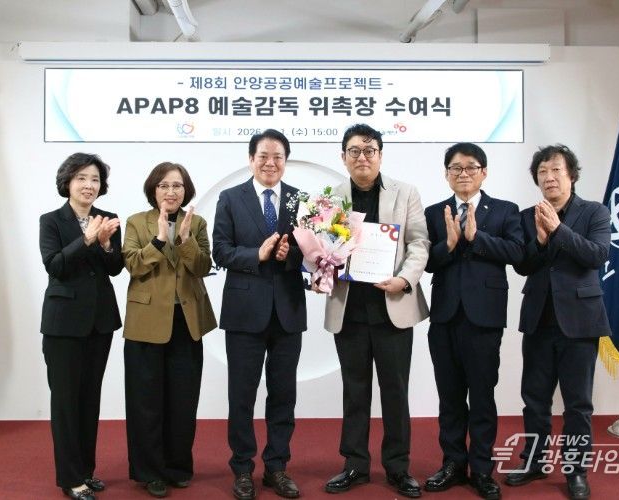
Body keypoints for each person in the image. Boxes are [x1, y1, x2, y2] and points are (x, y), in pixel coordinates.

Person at [323, 124, 430, 498]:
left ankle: (398, 467)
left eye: (369, 150)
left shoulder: (406, 192)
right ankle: (354, 464)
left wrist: (404, 279)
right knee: (354, 392)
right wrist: (321, 267)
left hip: (392, 307)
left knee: (395, 392)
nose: (362, 157)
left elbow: (419, 243)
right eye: (354, 151)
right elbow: (321, 250)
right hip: (349, 308)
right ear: (343, 157)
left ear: (380, 155)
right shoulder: (330, 198)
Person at [505, 145, 611, 500]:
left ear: (572, 176)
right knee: (534, 400)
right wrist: (539, 239)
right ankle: (534, 462)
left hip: (580, 323)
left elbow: (597, 255)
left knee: (578, 404)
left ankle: (576, 470)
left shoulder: (595, 212)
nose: (549, 178)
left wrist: (558, 230)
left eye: (556, 171)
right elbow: (523, 265)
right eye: (542, 172)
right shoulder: (527, 216)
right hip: (538, 320)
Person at [424, 142, 523, 500]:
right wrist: (448, 245)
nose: (463, 173)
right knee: (449, 397)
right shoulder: (434, 212)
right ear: (446, 174)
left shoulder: (505, 210)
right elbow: (425, 262)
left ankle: (481, 469)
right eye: (455, 168)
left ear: (484, 172)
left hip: (484, 318)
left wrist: (476, 238)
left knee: (482, 396)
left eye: (470, 167)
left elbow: (518, 252)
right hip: (445, 317)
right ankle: (453, 464)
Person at [212, 129, 306, 500]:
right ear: (251, 159)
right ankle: (242, 469)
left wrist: (289, 256)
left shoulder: (300, 200)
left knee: (284, 395)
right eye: (263, 156)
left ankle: (277, 467)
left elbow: (312, 253)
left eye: (278, 156)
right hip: (244, 312)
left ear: (286, 161)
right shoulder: (230, 198)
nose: (270, 163)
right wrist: (258, 254)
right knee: (242, 395)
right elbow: (221, 251)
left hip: (287, 311)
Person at [122, 162, 217, 498]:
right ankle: (149, 472)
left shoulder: (197, 223)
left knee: (183, 400)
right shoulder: (137, 222)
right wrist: (160, 240)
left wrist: (186, 240)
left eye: (177, 185)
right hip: (146, 323)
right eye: (164, 185)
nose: (171, 191)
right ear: (153, 189)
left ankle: (177, 467)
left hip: (186, 322)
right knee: (145, 401)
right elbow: (132, 265)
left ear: (185, 190)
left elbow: (203, 266)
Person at [39, 153, 123, 500]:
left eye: (95, 179)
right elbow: (55, 266)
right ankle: (71, 478)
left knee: (90, 400)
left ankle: (86, 471)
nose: (89, 185)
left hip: (100, 323)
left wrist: (105, 244)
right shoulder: (51, 221)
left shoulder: (108, 219)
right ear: (68, 182)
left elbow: (115, 268)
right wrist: (86, 239)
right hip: (63, 325)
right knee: (66, 403)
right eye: (82, 178)